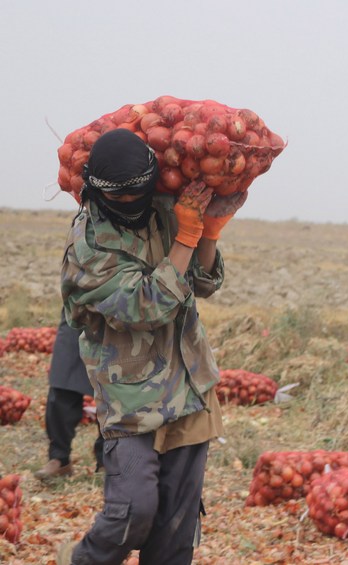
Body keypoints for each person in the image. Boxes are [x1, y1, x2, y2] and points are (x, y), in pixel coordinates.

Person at [55, 128, 244, 565]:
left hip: (189, 383)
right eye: (118, 197)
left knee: (176, 528)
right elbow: (145, 306)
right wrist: (186, 237)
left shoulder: (164, 208)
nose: (130, 203)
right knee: (132, 512)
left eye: (137, 193)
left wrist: (209, 232)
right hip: (130, 395)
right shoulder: (88, 246)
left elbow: (203, 283)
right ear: (96, 190)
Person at [34, 309, 104, 480]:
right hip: (77, 308)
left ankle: (108, 460)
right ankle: (59, 458)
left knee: (112, 389)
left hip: (115, 309)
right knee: (62, 382)